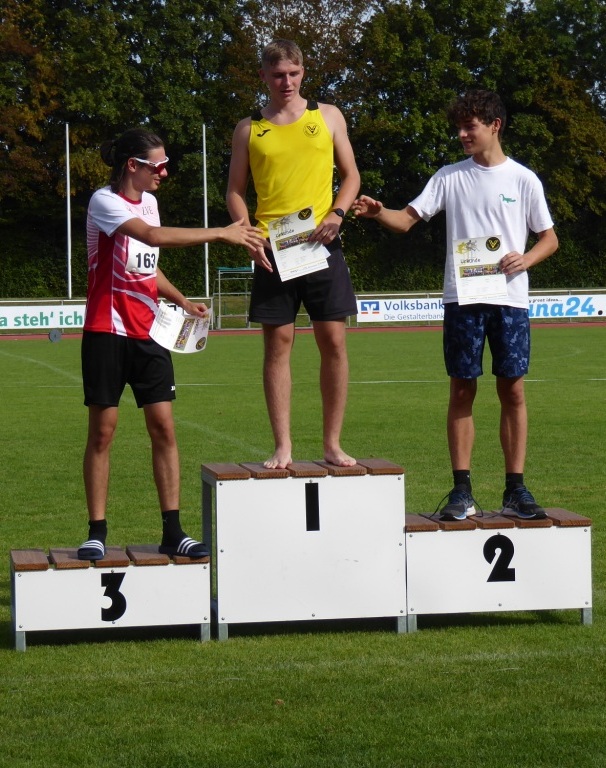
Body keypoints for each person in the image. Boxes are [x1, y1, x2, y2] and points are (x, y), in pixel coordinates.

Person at [353, 90, 558, 520]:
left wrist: (526, 259)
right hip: (462, 300)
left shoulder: (524, 179)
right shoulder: (449, 176)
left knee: (513, 390)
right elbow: (405, 221)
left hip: (510, 301)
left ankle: (515, 489)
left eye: (470, 127)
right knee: (462, 389)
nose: (462, 134)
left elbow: (549, 238)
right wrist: (378, 212)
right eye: (460, 127)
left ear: (495, 126)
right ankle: (461, 491)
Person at [78, 127, 265, 561]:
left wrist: (181, 300)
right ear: (133, 165)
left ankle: (173, 531)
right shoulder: (104, 201)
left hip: (150, 333)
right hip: (106, 332)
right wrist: (221, 233)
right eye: (158, 165)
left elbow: (148, 265)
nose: (164, 172)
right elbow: (153, 238)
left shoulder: (151, 203)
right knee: (102, 432)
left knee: (164, 427)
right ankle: (96, 531)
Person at [226, 39, 361, 469]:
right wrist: (248, 233)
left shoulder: (329, 116)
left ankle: (332, 444)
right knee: (278, 344)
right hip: (274, 247)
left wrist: (337, 214)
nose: (286, 82)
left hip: (322, 242)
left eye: (293, 73)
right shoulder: (249, 128)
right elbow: (234, 191)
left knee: (333, 341)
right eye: (278, 75)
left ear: (303, 72)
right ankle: (282, 446)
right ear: (263, 76)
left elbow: (352, 176)